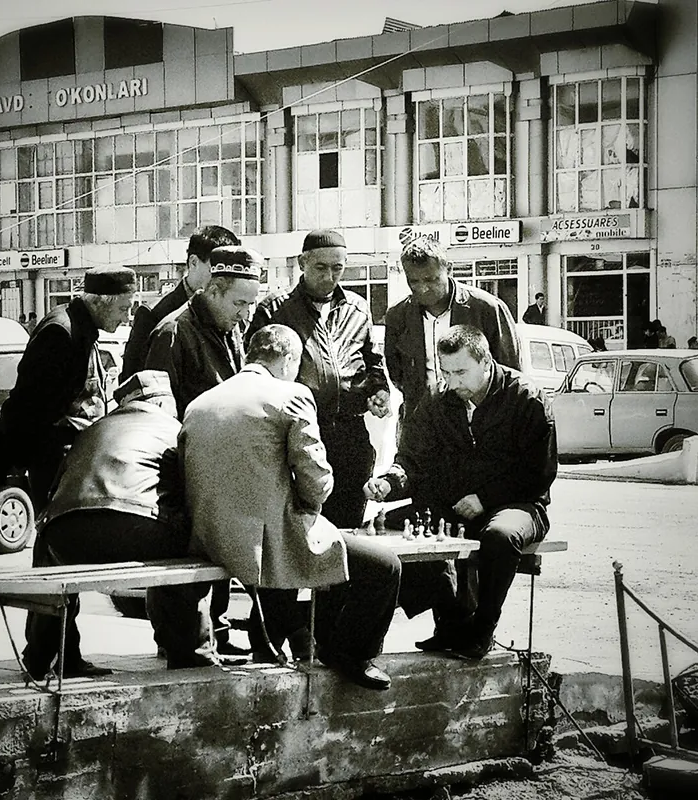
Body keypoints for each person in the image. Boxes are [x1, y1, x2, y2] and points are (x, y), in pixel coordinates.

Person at [181, 324, 401, 690]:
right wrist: (309, 504)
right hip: (263, 539)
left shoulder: (200, 402)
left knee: (331, 563)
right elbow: (317, 480)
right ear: (287, 359)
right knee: (384, 567)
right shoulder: (291, 395)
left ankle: (300, 637)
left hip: (209, 537)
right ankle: (353, 655)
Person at [0, 266, 136, 680]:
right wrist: (60, 446)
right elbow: (29, 408)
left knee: (55, 557)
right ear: (99, 301)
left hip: (58, 459)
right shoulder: (60, 333)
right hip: (50, 461)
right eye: (123, 307)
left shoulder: (79, 328)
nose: (125, 318)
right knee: (56, 557)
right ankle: (50, 653)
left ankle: (54, 653)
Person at [364, 325, 557, 660]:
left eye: (461, 372)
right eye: (446, 372)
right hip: (454, 504)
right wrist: (389, 482)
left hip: (519, 503)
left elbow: (539, 473)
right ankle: (451, 623)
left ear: (486, 362)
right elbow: (413, 458)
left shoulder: (526, 398)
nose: (453, 383)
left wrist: (486, 498)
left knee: (499, 535)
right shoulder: (439, 401)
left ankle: (481, 631)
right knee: (395, 527)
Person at [31, 371, 218, 675]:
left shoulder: (94, 429)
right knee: (191, 546)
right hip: (138, 529)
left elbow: (56, 493)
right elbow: (194, 496)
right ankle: (190, 654)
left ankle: (45, 656)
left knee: (47, 547)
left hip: (66, 535)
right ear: (163, 403)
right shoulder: (175, 429)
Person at [145, 245, 263, 659]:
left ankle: (217, 633)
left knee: (218, 553)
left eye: (251, 304)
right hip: (182, 469)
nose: (246, 314)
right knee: (183, 559)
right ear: (213, 290)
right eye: (240, 303)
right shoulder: (173, 333)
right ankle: (180, 642)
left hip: (219, 470)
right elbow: (156, 413)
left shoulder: (229, 329)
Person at [246, 229, 390, 530]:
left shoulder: (357, 308)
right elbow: (255, 372)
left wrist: (379, 390)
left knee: (348, 526)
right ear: (302, 263)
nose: (329, 277)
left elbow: (372, 360)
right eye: (321, 268)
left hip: (351, 437)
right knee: (303, 527)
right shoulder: (275, 309)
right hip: (301, 434)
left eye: (337, 268)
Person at [384, 231, 520, 423]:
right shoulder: (397, 316)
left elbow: (510, 371)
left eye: (431, 279)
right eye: (413, 281)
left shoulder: (487, 308)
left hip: (480, 421)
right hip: (423, 425)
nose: (422, 288)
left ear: (449, 269)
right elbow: (397, 373)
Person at [120, 225, 240, 382]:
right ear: (194, 262)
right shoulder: (155, 314)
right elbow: (132, 381)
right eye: (216, 269)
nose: (223, 279)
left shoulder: (234, 310)